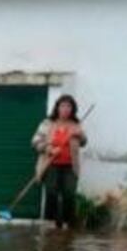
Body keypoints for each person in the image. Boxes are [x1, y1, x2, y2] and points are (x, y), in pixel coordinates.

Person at [31, 95, 88, 229]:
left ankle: (68, 224)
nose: (66, 109)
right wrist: (49, 148)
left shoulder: (75, 125)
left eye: (69, 106)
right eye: (63, 106)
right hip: (51, 165)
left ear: (73, 109)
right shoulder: (47, 124)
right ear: (57, 107)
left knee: (69, 194)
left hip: (70, 166)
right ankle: (53, 224)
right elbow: (35, 141)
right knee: (51, 192)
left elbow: (84, 143)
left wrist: (81, 135)